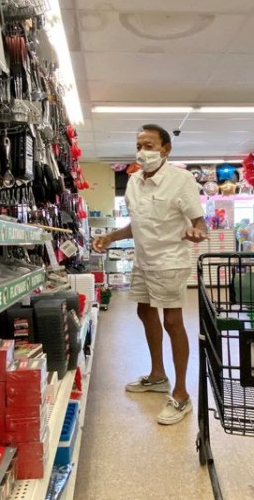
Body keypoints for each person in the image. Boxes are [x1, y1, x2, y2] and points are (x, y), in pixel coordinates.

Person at [91, 124, 208, 425]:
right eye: (139, 145)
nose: (143, 151)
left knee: (172, 320)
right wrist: (110, 237)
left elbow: (199, 222)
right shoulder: (133, 182)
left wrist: (197, 232)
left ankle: (181, 393)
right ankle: (158, 375)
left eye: (150, 145)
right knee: (145, 312)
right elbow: (137, 224)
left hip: (170, 259)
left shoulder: (181, 180)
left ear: (166, 149)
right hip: (143, 259)